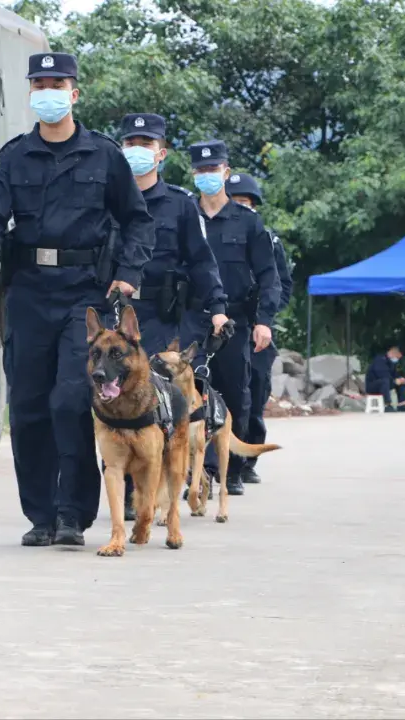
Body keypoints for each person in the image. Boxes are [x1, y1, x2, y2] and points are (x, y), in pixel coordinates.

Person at [0, 53, 155, 547]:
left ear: (74, 93)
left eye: (58, 83)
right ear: (31, 93)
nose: (48, 91)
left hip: (83, 295)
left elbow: (137, 219)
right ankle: (41, 516)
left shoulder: (104, 155)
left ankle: (73, 513)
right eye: (40, 83)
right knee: (27, 404)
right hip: (28, 291)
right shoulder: (13, 156)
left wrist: (128, 273)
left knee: (71, 400)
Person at [117, 112, 229, 519]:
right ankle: (128, 489)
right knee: (115, 401)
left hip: (161, 318)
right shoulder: (109, 198)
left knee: (158, 407)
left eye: (145, 145)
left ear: (161, 153)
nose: (137, 151)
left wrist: (217, 308)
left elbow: (202, 262)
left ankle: (154, 491)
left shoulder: (180, 206)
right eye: (131, 144)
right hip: (117, 316)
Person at [188, 140, 280, 497]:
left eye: (213, 170)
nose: (207, 176)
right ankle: (200, 472)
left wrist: (264, 320)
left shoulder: (249, 223)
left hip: (236, 322)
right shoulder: (186, 216)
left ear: (225, 172)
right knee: (190, 396)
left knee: (234, 396)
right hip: (192, 318)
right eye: (201, 170)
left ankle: (230, 468)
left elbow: (269, 276)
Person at [226, 172, 293, 484]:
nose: (242, 208)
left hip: (259, 328)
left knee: (254, 394)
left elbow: (282, 284)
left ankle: (246, 459)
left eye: (247, 203)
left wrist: (264, 317)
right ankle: (219, 465)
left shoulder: (268, 240)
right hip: (226, 322)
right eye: (236, 202)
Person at [365, 343, 405, 412]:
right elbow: (382, 375)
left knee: (401, 382)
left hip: (385, 384)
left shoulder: (391, 363)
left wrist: (400, 379)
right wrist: (394, 381)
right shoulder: (379, 360)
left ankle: (402, 405)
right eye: (397, 357)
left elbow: (394, 374)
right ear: (393, 353)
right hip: (373, 385)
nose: (397, 360)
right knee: (385, 380)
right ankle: (387, 404)